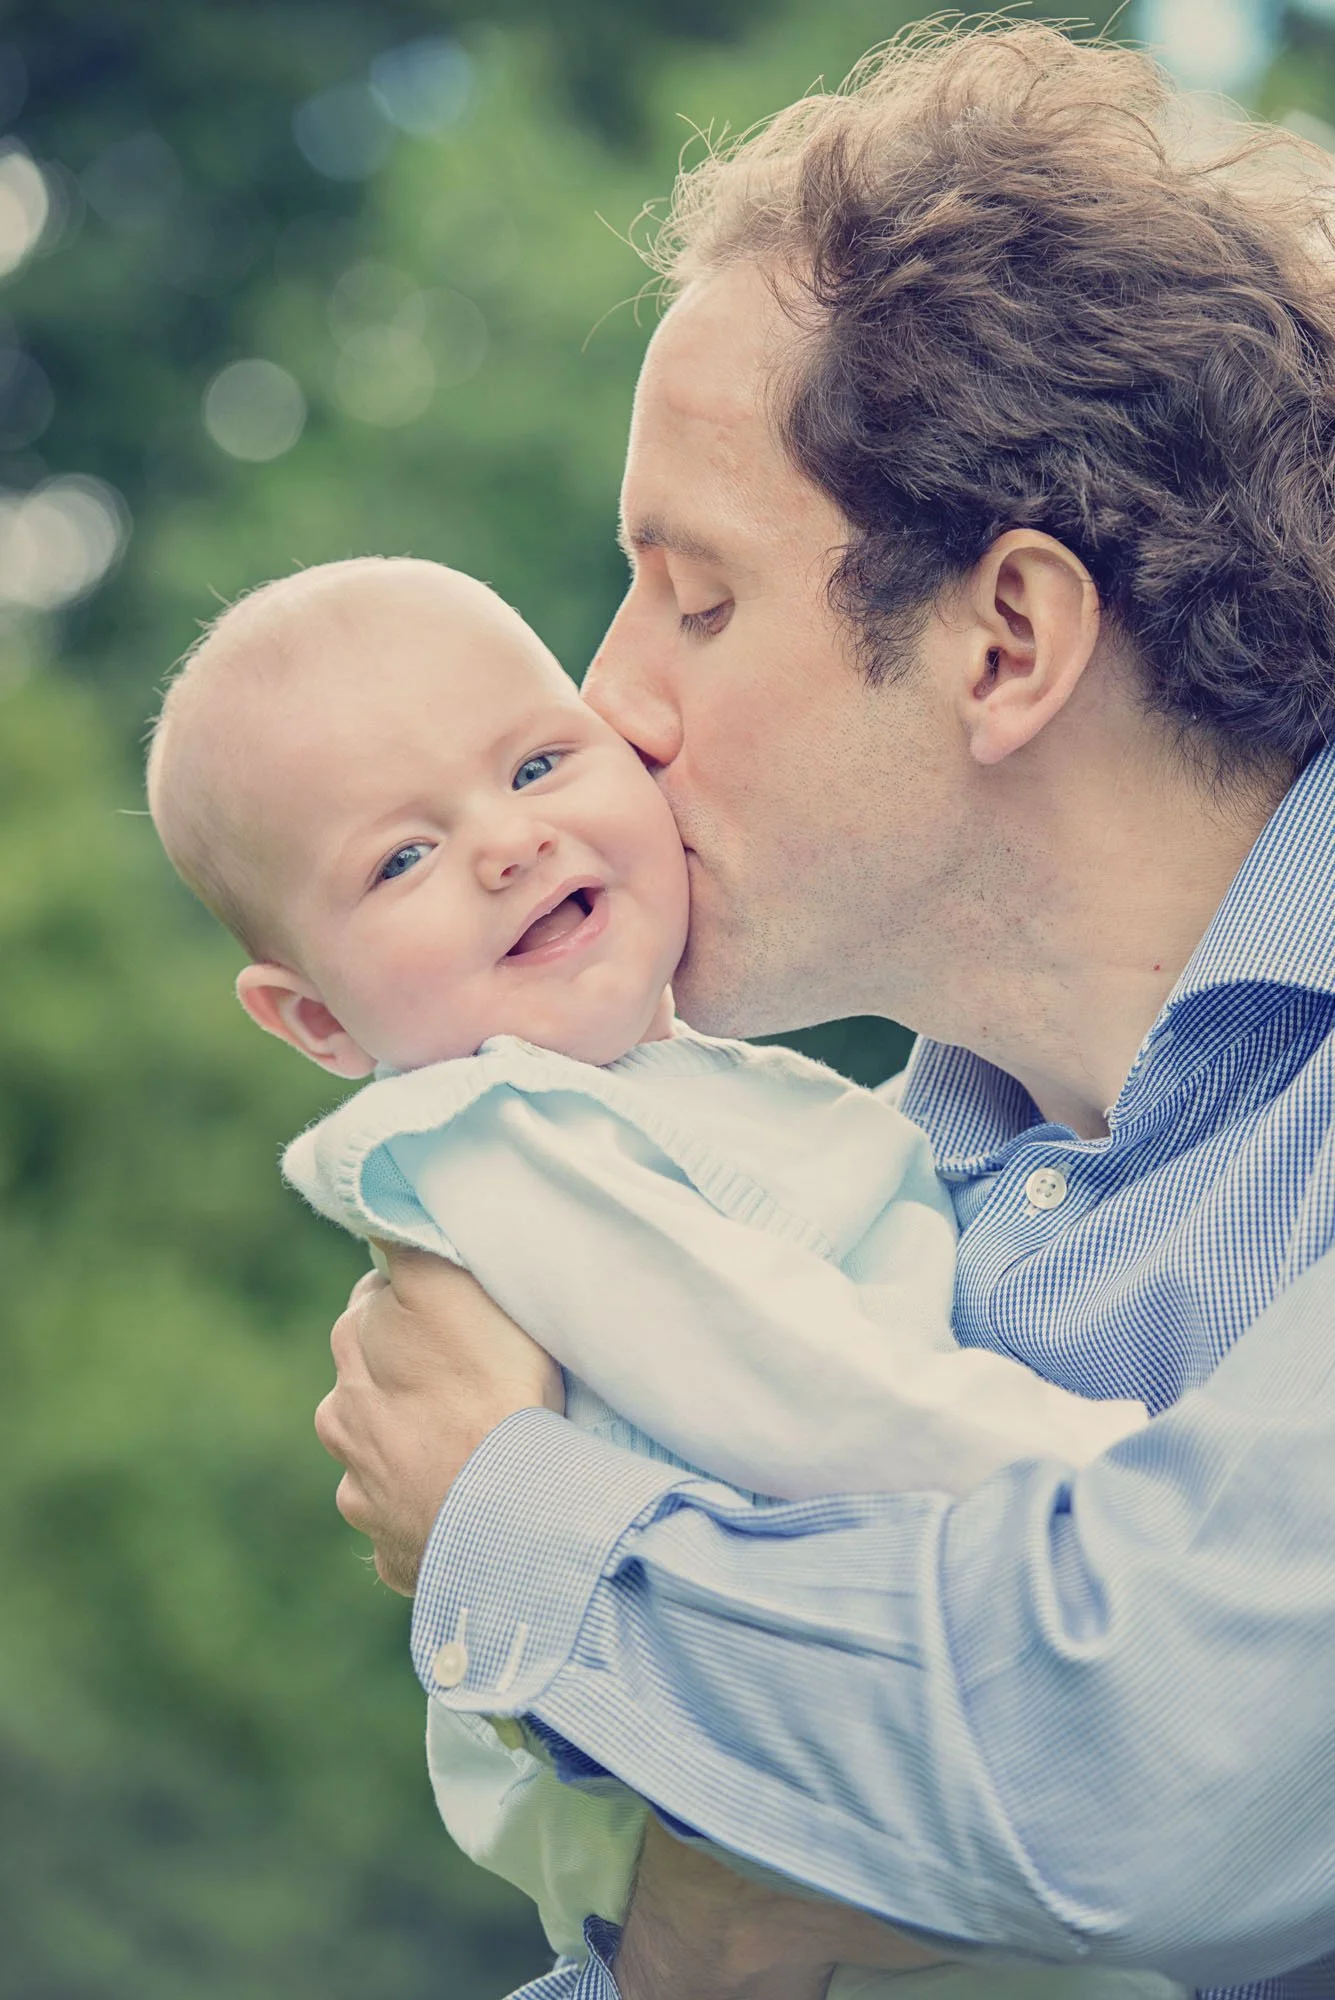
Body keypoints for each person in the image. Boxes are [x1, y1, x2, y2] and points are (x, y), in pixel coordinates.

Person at [312, 23, 1335, 2000]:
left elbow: (1159, 1755)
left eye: (689, 597)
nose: (606, 706)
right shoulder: (828, 1203)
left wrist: (510, 1520)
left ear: (1007, 637)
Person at [146, 553, 1166, 2000]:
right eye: (399, 858)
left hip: (901, 1777)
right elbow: (777, 1382)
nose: (504, 843)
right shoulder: (497, 1140)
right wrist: (1131, 1493)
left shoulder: (679, 1087)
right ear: (311, 1017)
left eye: (541, 761)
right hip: (788, 1789)